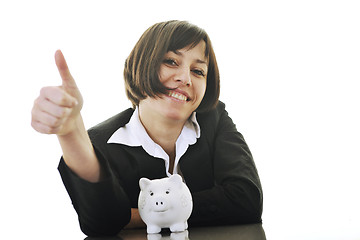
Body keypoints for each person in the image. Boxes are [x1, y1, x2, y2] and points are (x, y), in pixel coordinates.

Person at [31, 20, 263, 237]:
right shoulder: (102, 143)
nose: (185, 78)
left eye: (198, 71)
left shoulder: (214, 119)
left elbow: (247, 199)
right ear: (142, 64)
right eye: (171, 61)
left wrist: (142, 214)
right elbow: (102, 223)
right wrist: (71, 131)